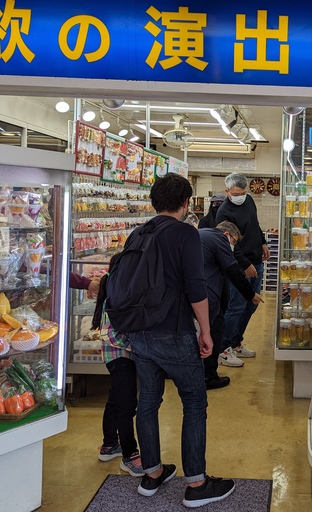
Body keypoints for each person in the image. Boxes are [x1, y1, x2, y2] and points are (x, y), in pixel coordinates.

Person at [126, 174, 235, 507]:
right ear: (187, 204)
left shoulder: (137, 233)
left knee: (147, 403)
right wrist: (206, 331)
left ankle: (153, 473)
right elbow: (196, 287)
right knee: (194, 402)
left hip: (139, 333)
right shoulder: (186, 233)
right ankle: (197, 484)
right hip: (174, 332)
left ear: (153, 201)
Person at [92, 255, 143, 476]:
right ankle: (129, 456)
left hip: (118, 357)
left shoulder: (118, 291)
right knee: (126, 405)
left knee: (115, 399)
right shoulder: (116, 296)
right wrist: (137, 346)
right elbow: (110, 334)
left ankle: (109, 445)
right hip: (120, 357)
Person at [200, 221, 263, 389]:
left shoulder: (204, 234)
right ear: (227, 235)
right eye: (234, 242)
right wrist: (251, 295)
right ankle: (208, 377)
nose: (233, 247)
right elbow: (233, 271)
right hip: (206, 293)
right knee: (215, 329)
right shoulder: (220, 240)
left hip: (193, 291)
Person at [215, 173, 269, 364]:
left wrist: (262, 242)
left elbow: (255, 224)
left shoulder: (249, 201)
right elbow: (228, 244)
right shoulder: (223, 212)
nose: (241, 196)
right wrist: (245, 265)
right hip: (239, 266)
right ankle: (223, 349)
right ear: (227, 192)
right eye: (237, 193)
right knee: (236, 307)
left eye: (244, 192)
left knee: (251, 305)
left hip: (257, 261)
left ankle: (236, 342)